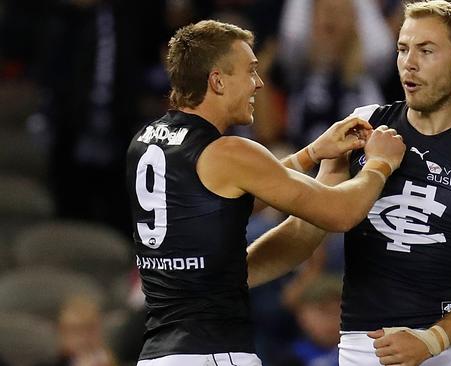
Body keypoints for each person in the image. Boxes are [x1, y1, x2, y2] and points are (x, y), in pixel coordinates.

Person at [247, 1, 451, 365]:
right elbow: (306, 229)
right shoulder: (363, 127)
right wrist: (233, 277)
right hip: (368, 348)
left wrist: (432, 340)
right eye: (402, 49)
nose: (408, 63)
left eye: (426, 51)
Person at [125, 20, 406, 366]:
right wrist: (380, 164)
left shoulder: (146, 141)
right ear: (217, 80)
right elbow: (342, 212)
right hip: (214, 354)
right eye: (251, 71)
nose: (258, 84)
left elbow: (229, 198)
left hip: (157, 356)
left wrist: (312, 155)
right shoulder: (230, 152)